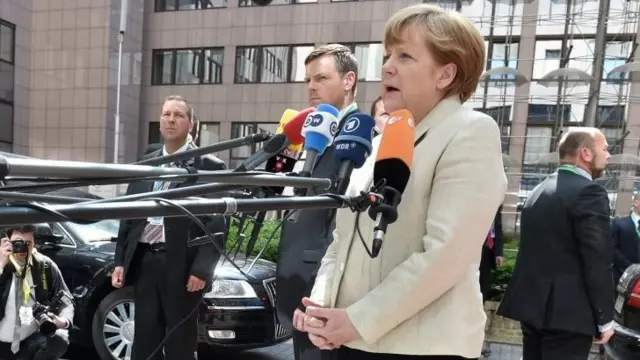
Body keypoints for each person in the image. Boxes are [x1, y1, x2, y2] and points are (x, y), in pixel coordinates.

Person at [296, 4, 507, 360]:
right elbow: (342, 240)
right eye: (387, 55)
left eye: (405, 55)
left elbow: (445, 256)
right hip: (352, 340)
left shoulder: (471, 132)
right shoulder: (383, 141)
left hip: (421, 349)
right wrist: (321, 306)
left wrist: (357, 320)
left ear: (445, 74)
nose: (387, 66)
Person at [112, 95, 226, 360]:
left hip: (183, 268)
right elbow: (127, 215)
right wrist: (120, 261)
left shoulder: (208, 166)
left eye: (178, 115)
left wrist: (201, 269)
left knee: (180, 344)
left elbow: (218, 224)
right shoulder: (146, 165)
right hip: (145, 263)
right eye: (166, 114)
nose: (171, 120)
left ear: (191, 124)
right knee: (145, 342)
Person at [497, 127, 614, 360]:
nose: (608, 155)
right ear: (586, 154)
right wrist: (605, 320)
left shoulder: (538, 191)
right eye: (604, 148)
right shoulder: (590, 192)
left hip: (532, 311)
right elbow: (598, 261)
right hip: (569, 316)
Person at [276, 43, 359, 360]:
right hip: (296, 283)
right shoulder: (311, 137)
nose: (311, 87)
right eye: (308, 79)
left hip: (329, 293)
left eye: (321, 78)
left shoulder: (358, 140)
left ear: (348, 80)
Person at [0, 224, 74, 360]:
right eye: (18, 243)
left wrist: (62, 321)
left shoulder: (44, 265)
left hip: (28, 341)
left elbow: (66, 299)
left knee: (59, 338)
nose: (23, 249)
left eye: (28, 243)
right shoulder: (1, 262)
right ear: (7, 241)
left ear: (34, 244)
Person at [479, 205, 504, 357]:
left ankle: (477, 340)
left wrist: (499, 252)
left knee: (481, 297)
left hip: (488, 254)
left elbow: (498, 229)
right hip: (474, 251)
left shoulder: (497, 202)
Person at [611, 193, 640, 285]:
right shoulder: (619, 224)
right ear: (636, 203)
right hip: (623, 276)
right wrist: (630, 268)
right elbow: (612, 249)